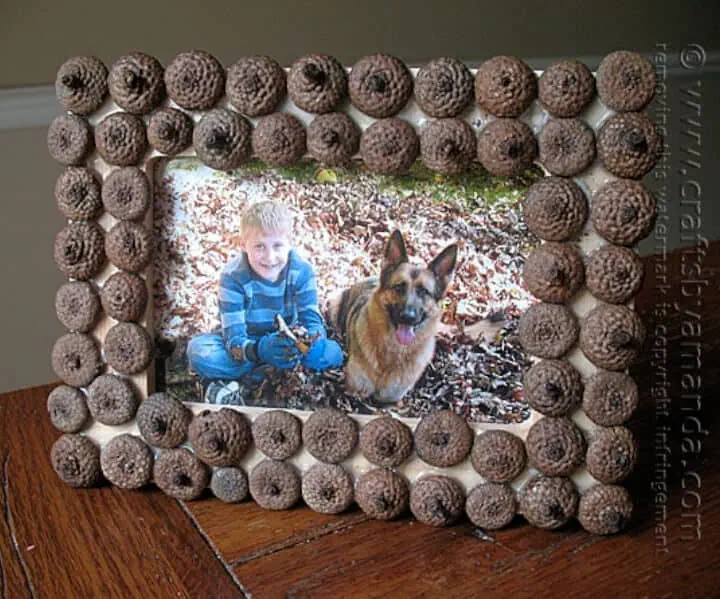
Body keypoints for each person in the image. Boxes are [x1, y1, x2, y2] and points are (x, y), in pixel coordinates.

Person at [186, 200, 343, 402]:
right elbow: (233, 338)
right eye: (259, 247)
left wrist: (308, 343)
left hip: (290, 341)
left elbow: (312, 321)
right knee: (199, 351)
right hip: (249, 343)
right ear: (243, 245)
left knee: (333, 353)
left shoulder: (302, 271)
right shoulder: (233, 276)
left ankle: (256, 375)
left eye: (278, 246)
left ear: (290, 243)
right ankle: (268, 370)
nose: (270, 257)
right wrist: (259, 350)